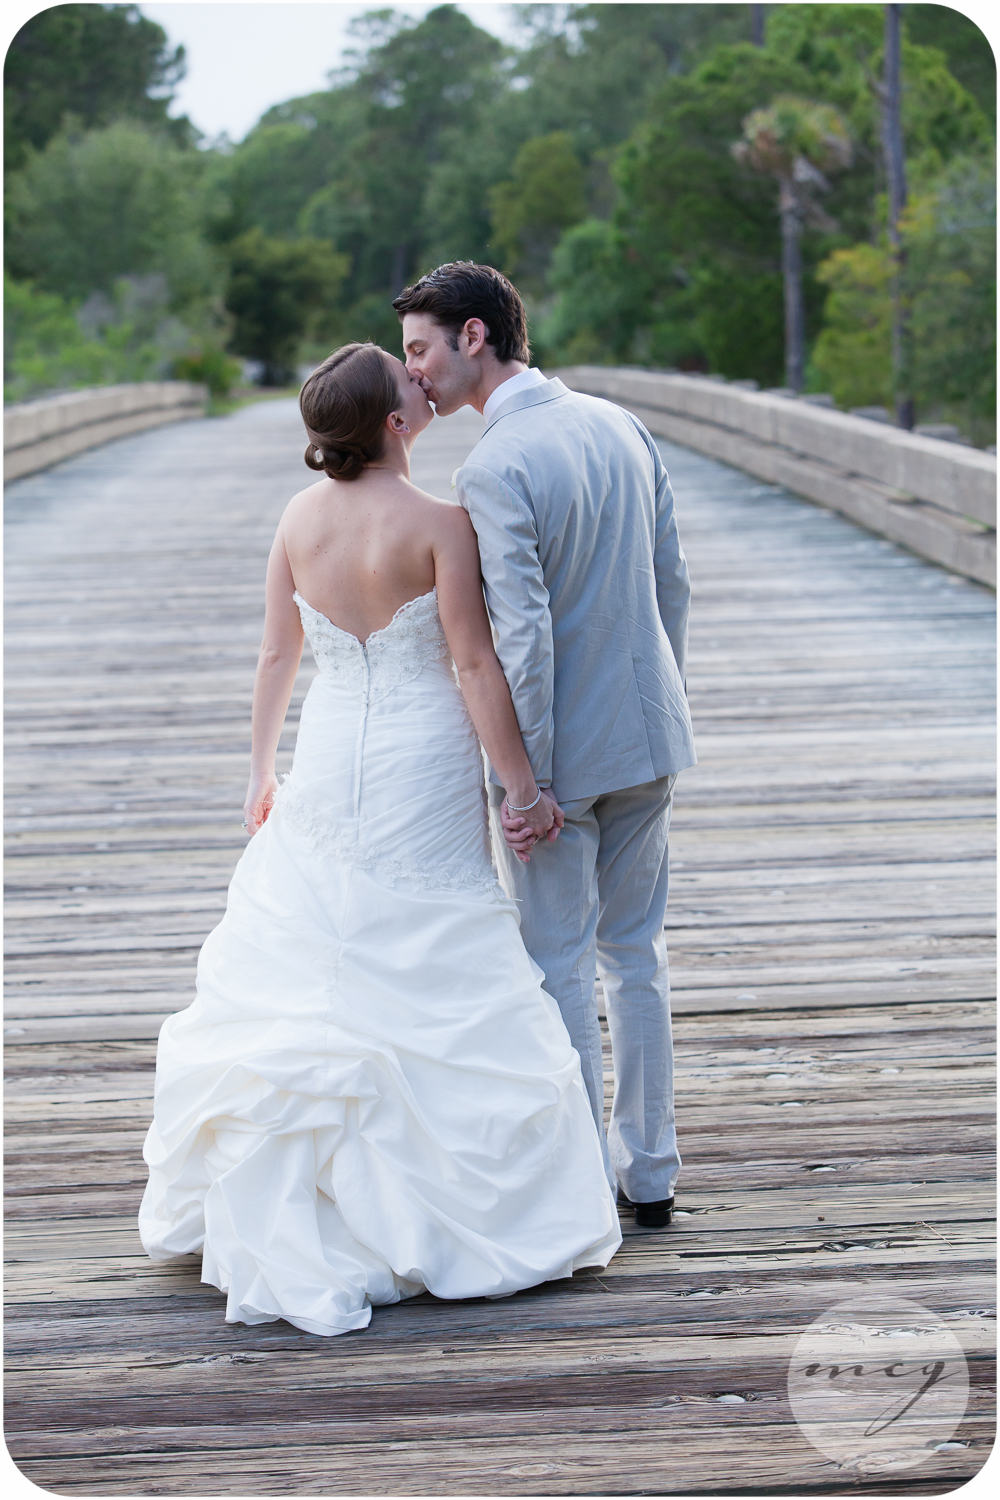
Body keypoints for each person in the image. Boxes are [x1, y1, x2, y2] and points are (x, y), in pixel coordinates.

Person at [138, 342, 621, 1337]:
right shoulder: (442, 524)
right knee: (434, 939)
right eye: (409, 383)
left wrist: (259, 771)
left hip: (328, 757)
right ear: (395, 423)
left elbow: (279, 650)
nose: (424, 384)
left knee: (320, 943)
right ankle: (440, 1209)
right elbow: (475, 667)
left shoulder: (296, 518)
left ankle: (312, 1191)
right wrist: (522, 789)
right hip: (422, 758)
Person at [394, 263, 696, 1228]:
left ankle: (574, 1183)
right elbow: (670, 583)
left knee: (559, 961)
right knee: (637, 956)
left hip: (561, 761)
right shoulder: (620, 423)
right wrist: (657, 703)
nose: (419, 374)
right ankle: (651, 1174)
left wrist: (525, 784)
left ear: (474, 337)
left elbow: (519, 638)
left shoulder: (491, 468)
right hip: (649, 735)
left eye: (422, 350)